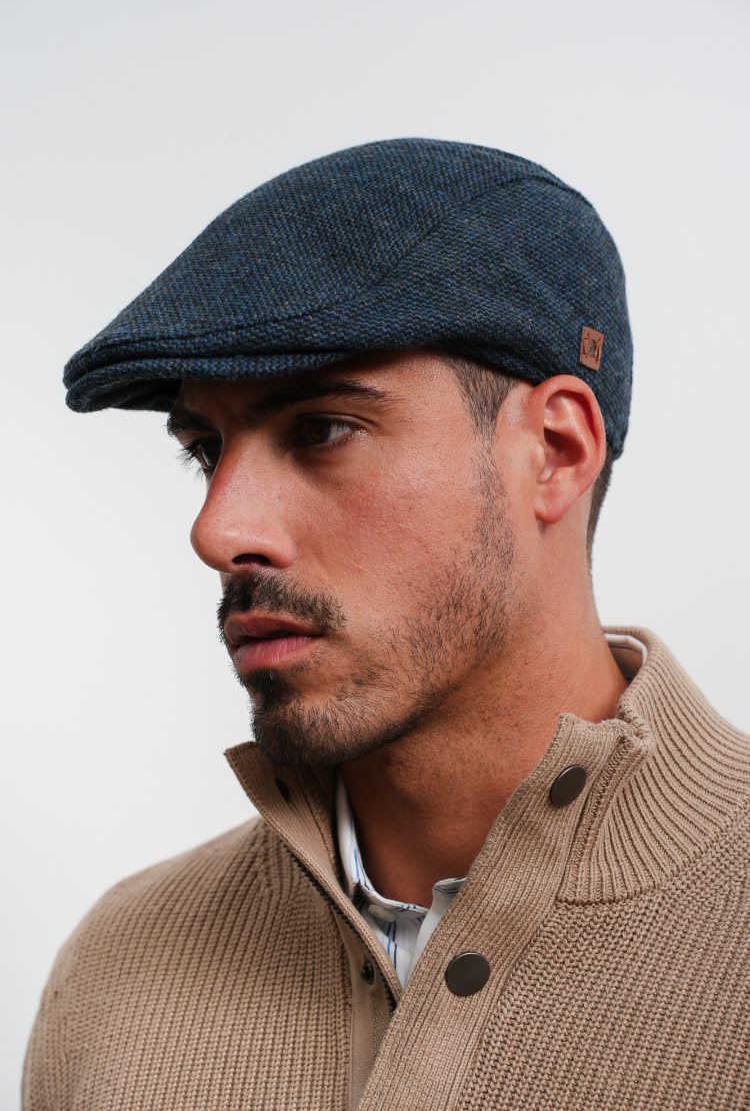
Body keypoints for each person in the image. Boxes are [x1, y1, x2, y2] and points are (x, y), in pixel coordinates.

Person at [24, 139, 750, 1110]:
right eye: (205, 450)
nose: (218, 531)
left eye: (320, 429)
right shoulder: (117, 975)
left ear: (556, 450)